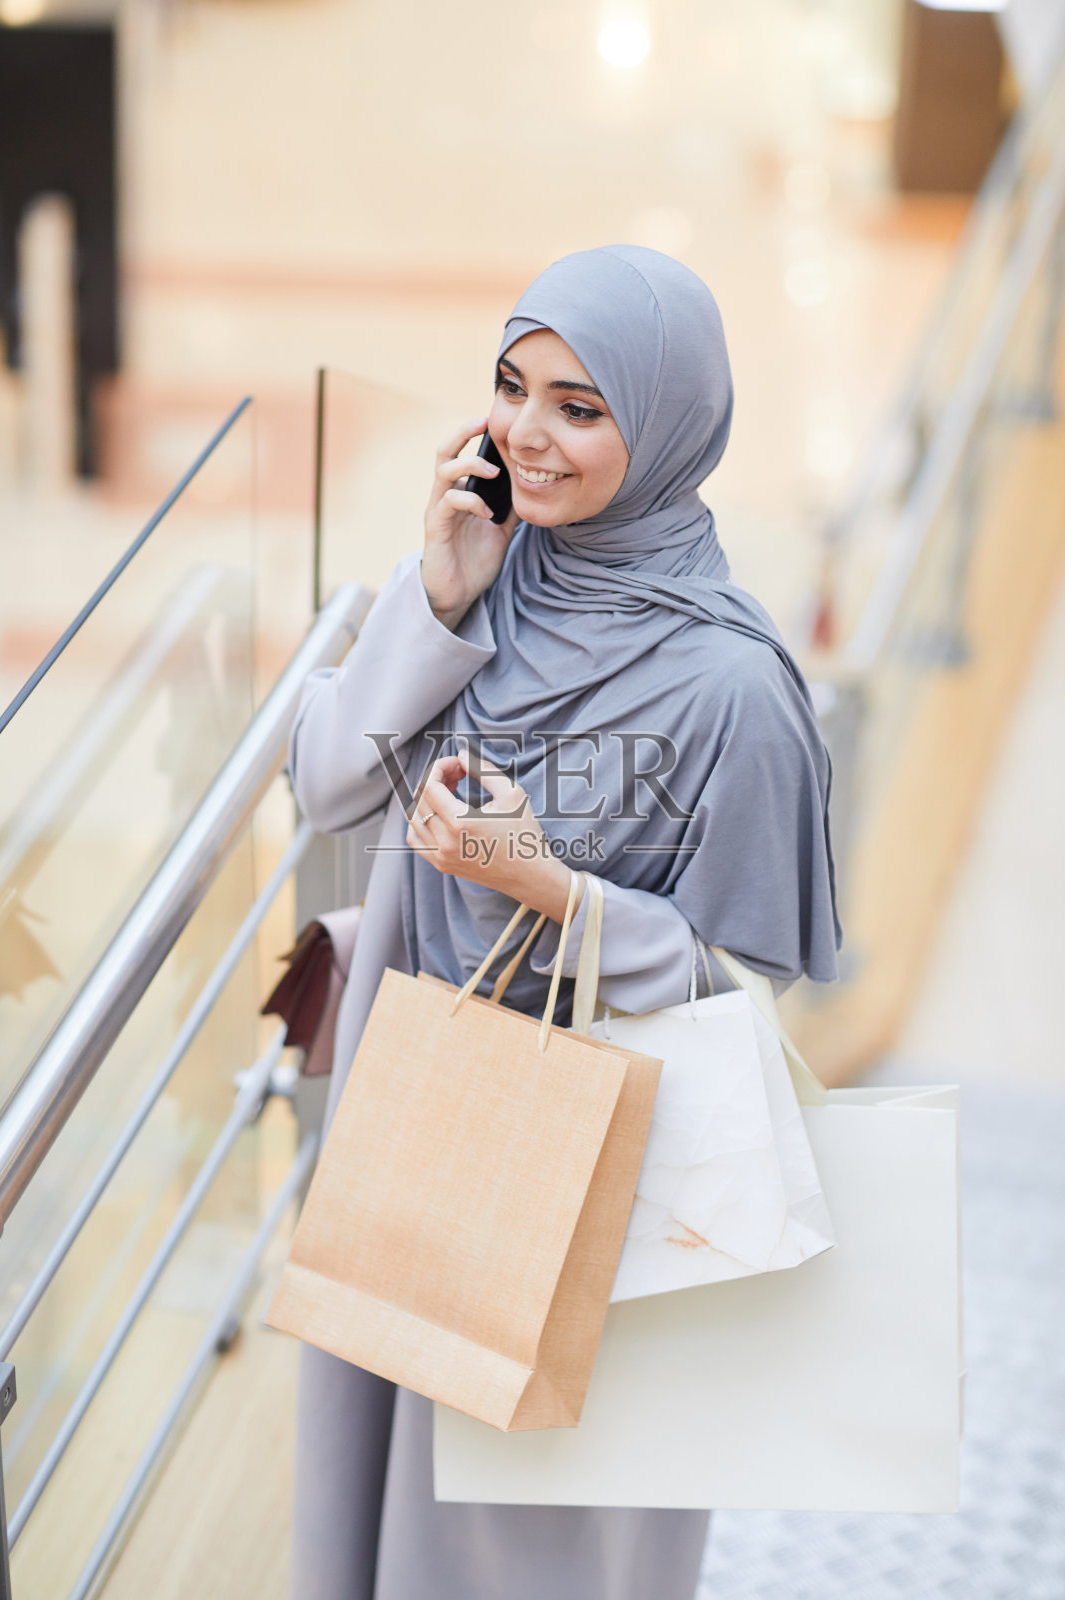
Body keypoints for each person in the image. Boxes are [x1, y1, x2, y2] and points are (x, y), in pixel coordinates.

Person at [286, 243, 842, 1600]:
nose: (527, 436)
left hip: (590, 1182)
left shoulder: (735, 689)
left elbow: (744, 995)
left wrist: (554, 890)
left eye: (581, 407)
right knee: (375, 1490)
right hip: (407, 1124)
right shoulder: (487, 577)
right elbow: (328, 784)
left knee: (532, 1545)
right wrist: (433, 592)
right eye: (511, 386)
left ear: (668, 430)